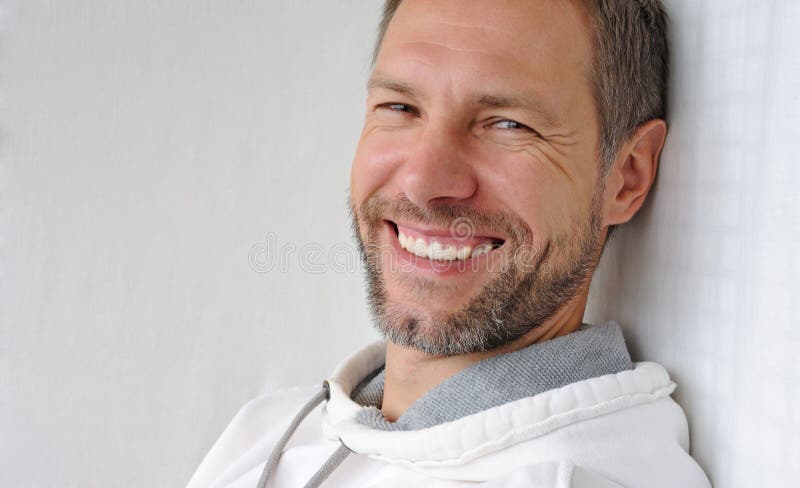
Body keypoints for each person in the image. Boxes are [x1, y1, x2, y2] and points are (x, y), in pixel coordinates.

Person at [188, 0, 712, 486]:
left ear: (627, 176)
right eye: (400, 107)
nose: (422, 179)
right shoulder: (267, 431)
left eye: (509, 123)